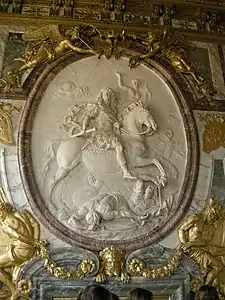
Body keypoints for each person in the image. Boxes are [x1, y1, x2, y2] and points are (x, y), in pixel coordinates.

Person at [80, 87, 136, 180]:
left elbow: (112, 122)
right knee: (119, 147)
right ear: (101, 96)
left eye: (109, 95)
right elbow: (87, 118)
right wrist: (84, 128)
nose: (108, 97)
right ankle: (125, 172)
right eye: (106, 95)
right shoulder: (97, 108)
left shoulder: (111, 110)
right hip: (101, 133)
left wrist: (116, 124)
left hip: (111, 133)